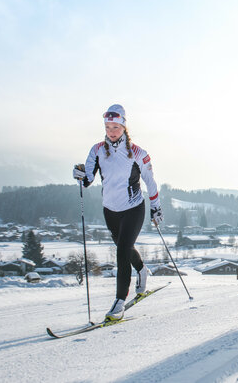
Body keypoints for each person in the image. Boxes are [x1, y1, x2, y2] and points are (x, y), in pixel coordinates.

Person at [73, 104, 164, 321]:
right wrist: (79, 174)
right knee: (124, 246)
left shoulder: (137, 153)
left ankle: (119, 303)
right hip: (110, 210)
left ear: (124, 126)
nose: (111, 131)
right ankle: (142, 270)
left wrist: (156, 207)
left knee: (122, 251)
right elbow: (87, 179)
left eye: (116, 126)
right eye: (108, 127)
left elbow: (150, 182)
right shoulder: (96, 150)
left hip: (133, 209)